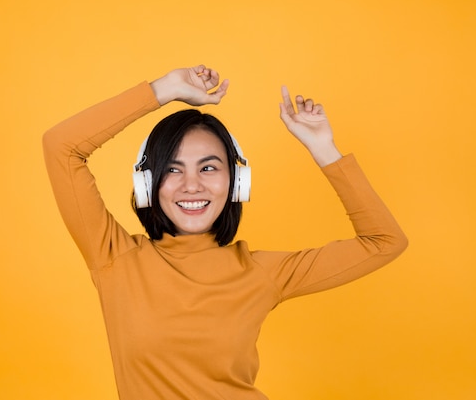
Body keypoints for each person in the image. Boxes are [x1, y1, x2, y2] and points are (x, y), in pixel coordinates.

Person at [42, 64, 408, 400]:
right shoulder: (114, 258)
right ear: (147, 184)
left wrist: (323, 148)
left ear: (236, 183)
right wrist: (165, 89)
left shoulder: (261, 273)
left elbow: (384, 242)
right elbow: (61, 146)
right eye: (172, 170)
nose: (191, 186)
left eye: (208, 168)